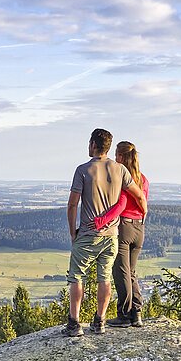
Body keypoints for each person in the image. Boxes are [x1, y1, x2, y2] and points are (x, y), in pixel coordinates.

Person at [64, 128, 147, 337]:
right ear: (108, 147)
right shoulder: (120, 170)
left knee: (76, 277)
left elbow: (73, 204)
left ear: (93, 144)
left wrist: (73, 232)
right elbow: (137, 194)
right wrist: (144, 212)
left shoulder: (83, 170)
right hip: (111, 235)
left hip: (88, 233)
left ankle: (74, 324)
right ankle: (100, 320)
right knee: (105, 278)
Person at [92, 140, 148, 327]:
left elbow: (121, 204)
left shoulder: (123, 178)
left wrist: (102, 220)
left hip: (124, 227)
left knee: (120, 272)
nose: (114, 158)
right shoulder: (143, 179)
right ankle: (137, 313)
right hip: (140, 228)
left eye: (116, 155)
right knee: (130, 272)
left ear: (122, 157)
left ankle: (124, 315)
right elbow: (141, 199)